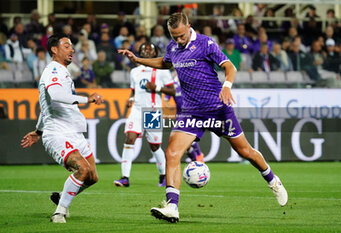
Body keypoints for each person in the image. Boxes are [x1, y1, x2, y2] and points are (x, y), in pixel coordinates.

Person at [119, 13, 288, 223]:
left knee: (246, 151)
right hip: (191, 111)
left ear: (189, 27)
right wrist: (138, 59)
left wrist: (226, 86)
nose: (178, 40)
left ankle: (273, 181)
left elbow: (229, 67)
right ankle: (172, 206)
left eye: (181, 35)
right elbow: (165, 62)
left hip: (217, 108)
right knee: (172, 152)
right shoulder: (173, 47)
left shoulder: (205, 43)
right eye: (174, 36)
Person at [20, 33, 104, 223]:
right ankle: (59, 212)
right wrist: (87, 98)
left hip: (73, 132)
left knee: (92, 177)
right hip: (58, 133)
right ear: (54, 50)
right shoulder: (53, 71)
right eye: (66, 46)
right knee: (81, 168)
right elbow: (57, 95)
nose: (72, 49)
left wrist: (38, 131)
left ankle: (62, 196)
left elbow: (47, 106)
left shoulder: (63, 72)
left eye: (72, 46)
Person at [114, 42, 175, 187]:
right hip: (136, 110)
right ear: (140, 53)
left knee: (155, 146)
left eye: (150, 49)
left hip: (152, 112)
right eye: (144, 49)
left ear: (155, 53)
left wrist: (157, 87)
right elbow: (134, 92)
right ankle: (125, 177)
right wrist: (131, 99)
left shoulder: (162, 71)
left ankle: (163, 175)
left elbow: (173, 91)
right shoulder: (134, 72)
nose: (147, 51)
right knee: (130, 138)